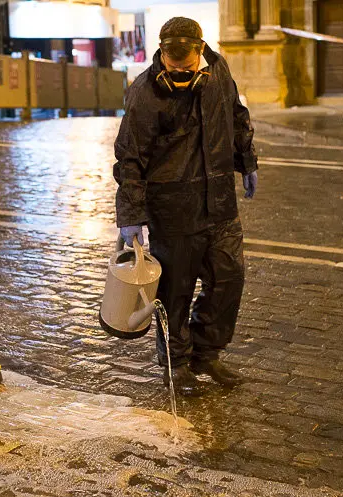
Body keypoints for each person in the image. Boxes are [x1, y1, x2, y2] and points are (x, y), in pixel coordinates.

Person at [113, 17, 259, 396]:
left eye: (186, 65)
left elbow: (236, 115)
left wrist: (247, 161)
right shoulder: (145, 93)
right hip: (173, 208)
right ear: (161, 52)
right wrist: (131, 215)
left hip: (220, 202)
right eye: (171, 63)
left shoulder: (219, 71)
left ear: (200, 51)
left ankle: (206, 354)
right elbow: (130, 158)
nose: (178, 71)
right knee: (175, 292)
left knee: (228, 280)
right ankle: (176, 364)